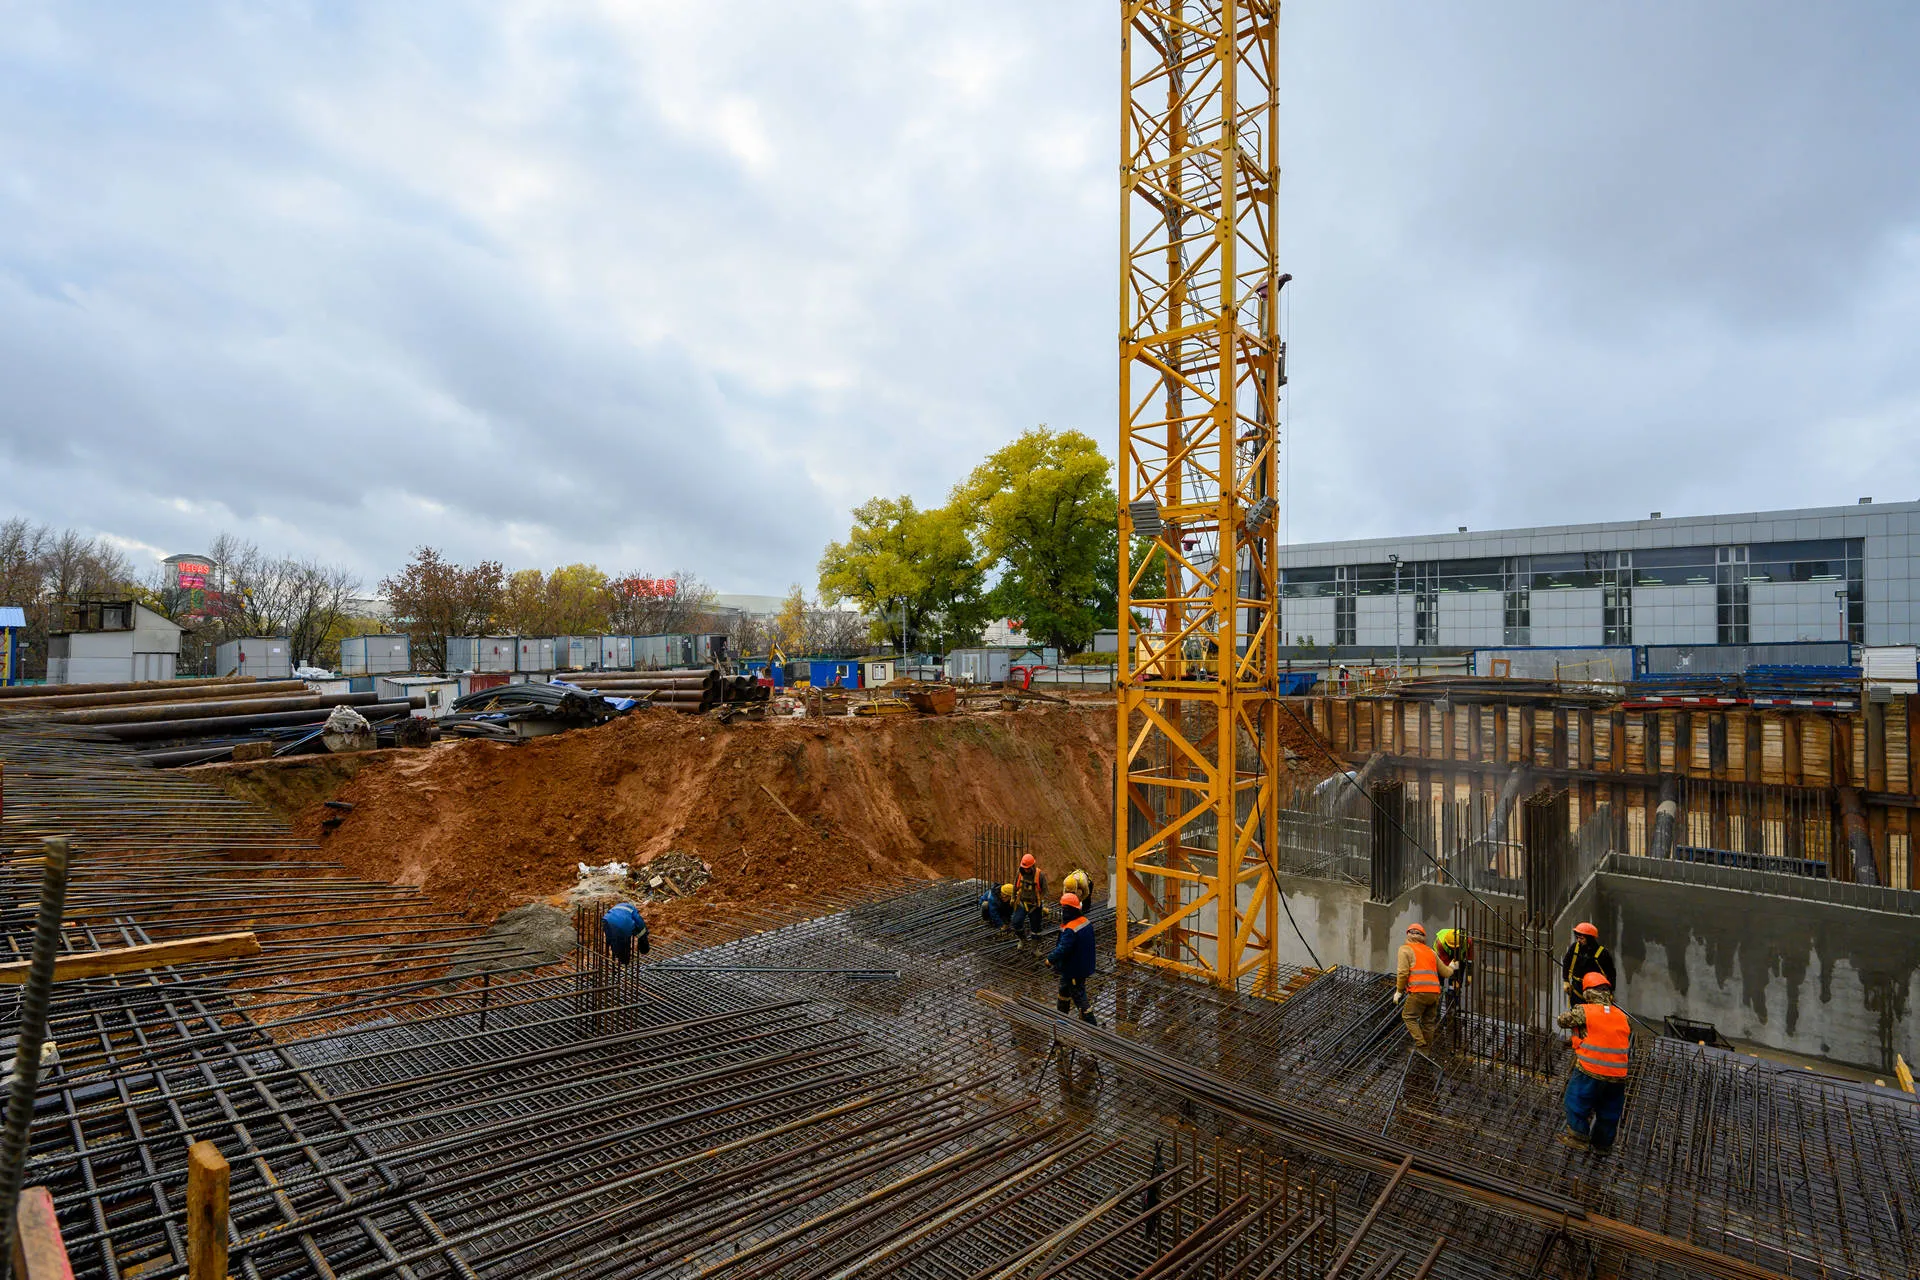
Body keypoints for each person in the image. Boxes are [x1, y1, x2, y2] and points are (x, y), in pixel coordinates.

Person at [1556, 971, 1631, 1154]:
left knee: (1576, 1101)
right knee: (1609, 1111)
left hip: (1590, 1069)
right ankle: (1603, 1145)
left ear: (1588, 993)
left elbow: (1562, 1021)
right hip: (1617, 1075)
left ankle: (1578, 1137)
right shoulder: (1622, 1016)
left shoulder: (1585, 1010)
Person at [1392, 922, 1453, 1054]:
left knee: (1408, 1017)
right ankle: (1425, 1051)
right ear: (1423, 937)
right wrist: (1453, 966)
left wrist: (1399, 991)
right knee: (1428, 1023)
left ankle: (1421, 1044)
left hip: (1418, 991)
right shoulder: (1431, 951)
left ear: (1408, 934)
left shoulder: (1405, 949)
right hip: (1435, 993)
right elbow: (1446, 973)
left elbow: (1403, 973)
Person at [1046, 891, 1097, 1025]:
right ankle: (1061, 1018)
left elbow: (1063, 948)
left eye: (1064, 909)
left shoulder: (1071, 928)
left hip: (1075, 969)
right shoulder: (1085, 921)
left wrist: (1050, 959)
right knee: (1064, 989)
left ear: (1068, 910)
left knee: (1079, 996)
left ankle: (1092, 1026)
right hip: (1080, 965)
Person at [1561, 922, 1616, 1008]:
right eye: (1577, 938)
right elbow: (1566, 963)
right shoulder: (1575, 948)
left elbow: (1611, 973)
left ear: (1590, 939)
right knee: (1576, 1014)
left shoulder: (1602, 954)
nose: (1579, 940)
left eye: (1582, 938)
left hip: (1595, 992)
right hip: (1577, 989)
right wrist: (1566, 980)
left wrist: (1611, 991)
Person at [1010, 853, 1049, 949]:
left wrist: (1041, 902)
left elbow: (1045, 890)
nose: (1026, 870)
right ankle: (1022, 939)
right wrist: (1012, 897)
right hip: (1022, 902)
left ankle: (1034, 947)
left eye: (1027, 868)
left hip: (1035, 905)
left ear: (1032, 866)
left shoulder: (1040, 875)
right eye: (1024, 868)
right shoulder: (1020, 873)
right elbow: (1015, 886)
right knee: (1016, 922)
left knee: (1036, 928)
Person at [1436, 926, 1473, 1014]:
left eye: (1456, 947)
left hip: (1459, 960)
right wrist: (1454, 974)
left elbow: (1470, 960)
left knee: (1454, 986)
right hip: (1441, 960)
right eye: (1452, 947)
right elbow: (1446, 967)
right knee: (1438, 985)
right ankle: (1436, 1011)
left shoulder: (1467, 941)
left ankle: (1452, 1011)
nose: (1454, 948)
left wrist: (1469, 975)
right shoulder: (1440, 943)